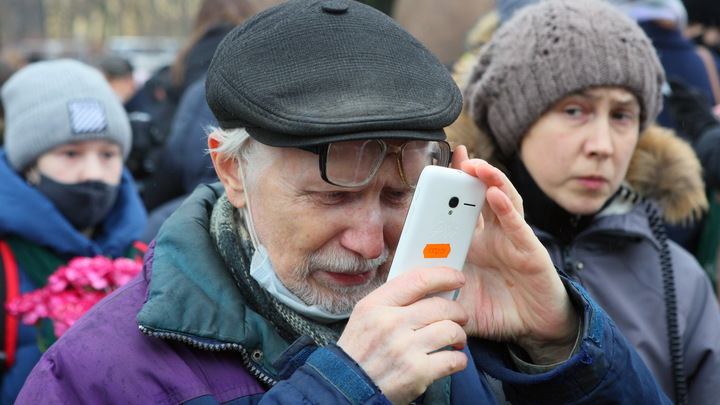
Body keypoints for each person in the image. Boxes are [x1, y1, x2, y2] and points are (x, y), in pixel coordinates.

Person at [17, 1, 670, 404]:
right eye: (331, 195)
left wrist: (559, 344)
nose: (370, 241)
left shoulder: (466, 319)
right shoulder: (95, 371)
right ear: (230, 169)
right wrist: (345, 386)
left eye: (398, 193)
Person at [459, 0, 720, 403]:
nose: (602, 146)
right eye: (575, 110)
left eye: (622, 115)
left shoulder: (681, 282)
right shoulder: (452, 258)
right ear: (514, 121)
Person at [0, 59, 147, 403]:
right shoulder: (6, 261)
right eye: (70, 153)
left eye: (108, 155)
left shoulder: (149, 255)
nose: (92, 173)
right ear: (29, 167)